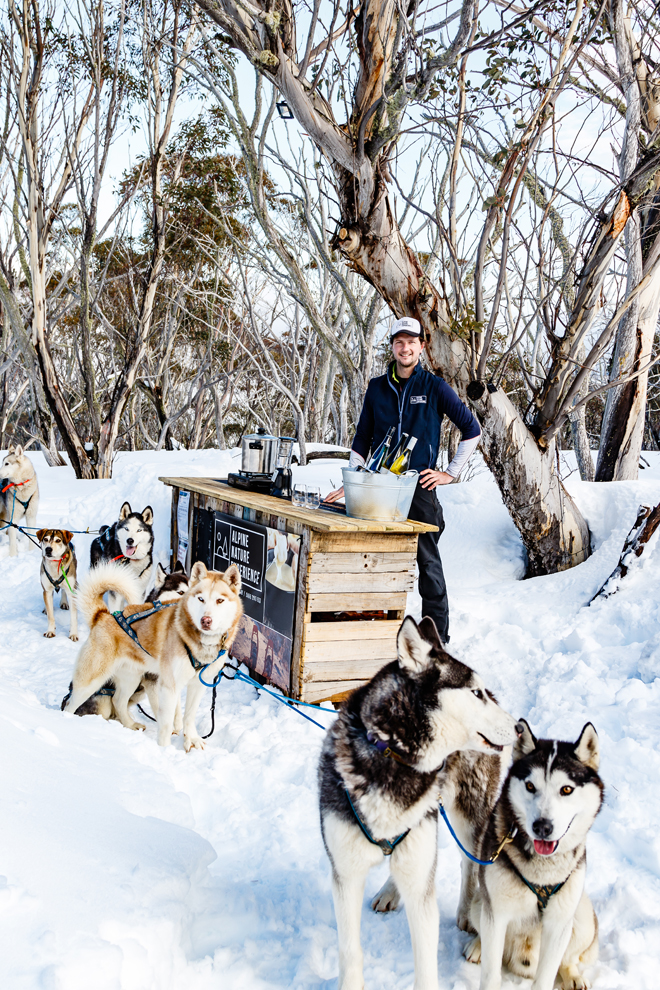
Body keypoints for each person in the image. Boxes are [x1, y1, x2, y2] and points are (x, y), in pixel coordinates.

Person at [325, 317, 481, 643]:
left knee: (429, 565)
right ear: (393, 346)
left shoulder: (434, 387)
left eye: (411, 342)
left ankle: (435, 639)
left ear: (421, 346)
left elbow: (472, 430)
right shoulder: (376, 388)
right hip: (378, 489)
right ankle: (372, 630)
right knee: (373, 560)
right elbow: (362, 437)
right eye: (399, 342)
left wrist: (449, 474)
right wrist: (354, 480)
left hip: (418, 488)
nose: (405, 348)